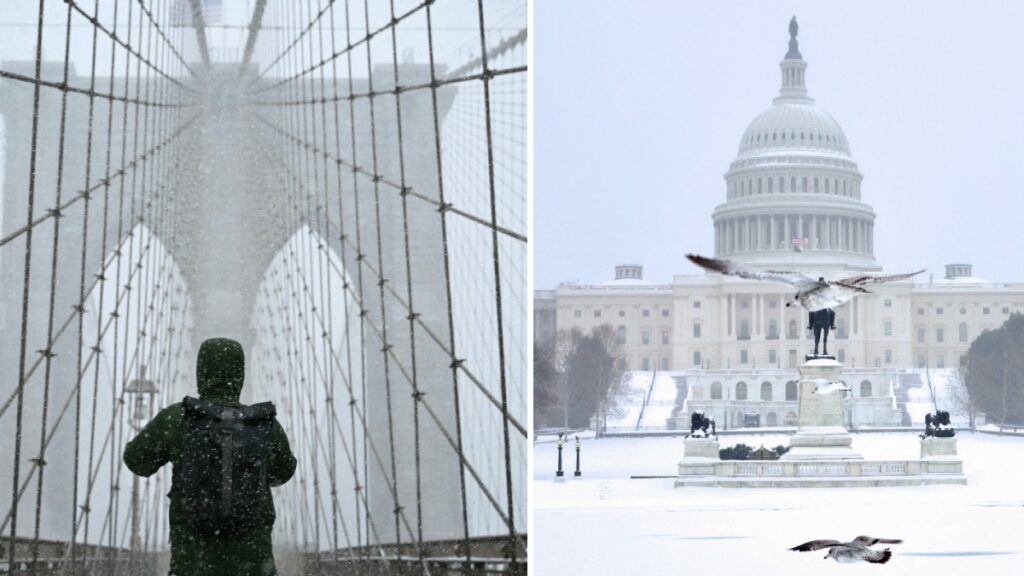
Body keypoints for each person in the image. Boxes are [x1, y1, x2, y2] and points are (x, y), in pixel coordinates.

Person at [124, 338, 297, 576]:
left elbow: (137, 461)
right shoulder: (263, 424)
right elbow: (283, 472)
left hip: (193, 564)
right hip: (254, 565)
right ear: (240, 374)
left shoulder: (178, 418)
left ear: (201, 372)